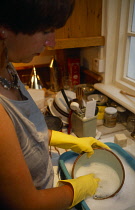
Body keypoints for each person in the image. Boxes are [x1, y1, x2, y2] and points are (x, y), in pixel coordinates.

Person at [0, 0, 110, 209]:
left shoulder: (7, 68)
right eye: (46, 30)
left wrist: (70, 141)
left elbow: (26, 135)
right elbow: (26, 204)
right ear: (4, 27)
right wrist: (78, 189)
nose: (52, 42)